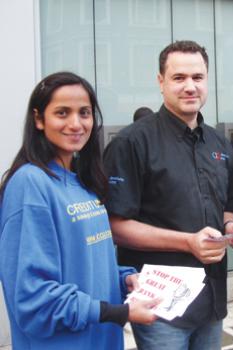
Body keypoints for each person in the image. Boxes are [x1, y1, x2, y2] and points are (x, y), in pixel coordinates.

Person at [103, 40, 233, 350]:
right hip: (161, 306)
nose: (190, 87)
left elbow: (227, 209)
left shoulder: (220, 145)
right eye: (178, 78)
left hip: (212, 297)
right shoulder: (132, 143)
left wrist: (232, 230)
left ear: (207, 80)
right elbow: (114, 226)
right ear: (160, 82)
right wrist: (187, 242)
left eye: (197, 78)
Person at [0, 72, 159, 350]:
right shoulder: (30, 184)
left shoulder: (84, 183)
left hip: (103, 340)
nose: (76, 124)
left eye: (84, 113)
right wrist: (118, 313)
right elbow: (33, 298)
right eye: (62, 113)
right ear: (39, 119)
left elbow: (88, 262)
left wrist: (124, 278)